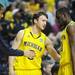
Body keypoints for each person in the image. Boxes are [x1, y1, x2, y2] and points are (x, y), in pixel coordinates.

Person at [56, 7, 75, 75]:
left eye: (58, 18)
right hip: (64, 65)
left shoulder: (71, 27)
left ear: (64, 15)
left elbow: (73, 49)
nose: (58, 21)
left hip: (69, 66)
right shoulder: (66, 28)